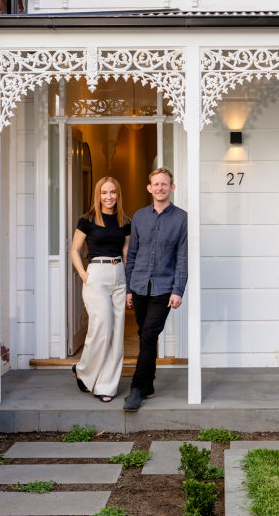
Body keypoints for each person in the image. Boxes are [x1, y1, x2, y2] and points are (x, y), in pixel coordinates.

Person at [122, 167, 187, 412]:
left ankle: (137, 388)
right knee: (145, 335)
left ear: (172, 188)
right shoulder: (139, 217)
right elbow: (133, 253)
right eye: (156, 184)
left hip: (164, 287)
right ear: (149, 188)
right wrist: (129, 288)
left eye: (164, 184)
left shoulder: (182, 218)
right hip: (139, 285)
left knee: (149, 334)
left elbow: (182, 257)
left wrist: (178, 289)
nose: (160, 188)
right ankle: (148, 385)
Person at [70, 176, 131, 403]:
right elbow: (75, 250)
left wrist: (129, 287)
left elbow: (126, 253)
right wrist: (85, 276)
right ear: (98, 194)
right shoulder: (87, 220)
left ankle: (107, 385)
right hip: (97, 274)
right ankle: (84, 370)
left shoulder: (125, 220)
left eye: (113, 192)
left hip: (119, 276)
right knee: (101, 328)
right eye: (104, 192)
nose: (109, 197)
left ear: (118, 194)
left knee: (117, 334)